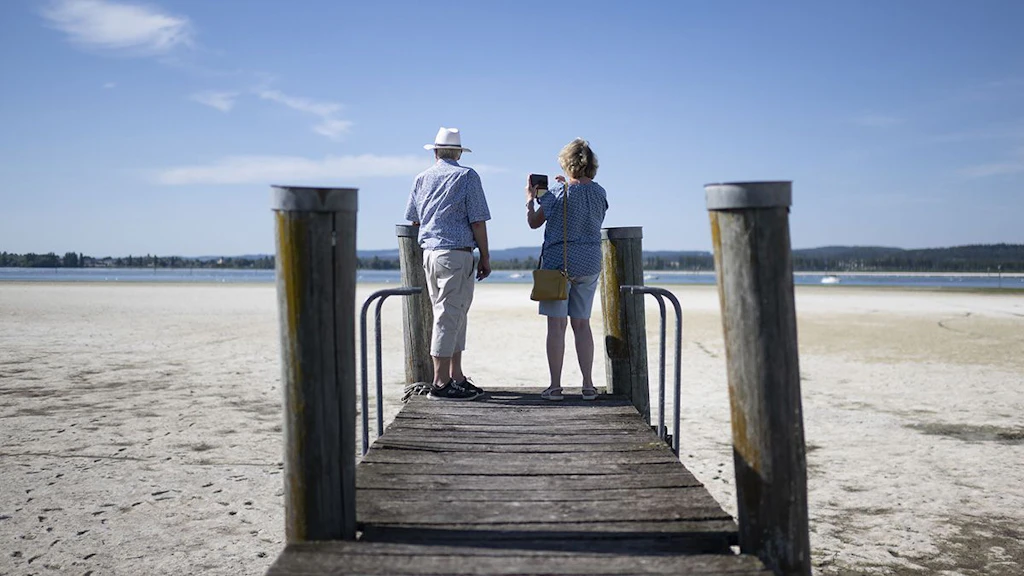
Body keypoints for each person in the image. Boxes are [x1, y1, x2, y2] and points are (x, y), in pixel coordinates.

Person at [405, 127, 491, 401]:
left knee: (453, 315)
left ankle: (456, 377)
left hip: (431, 253)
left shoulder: (421, 178)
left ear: (436, 153)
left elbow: (414, 219)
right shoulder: (467, 176)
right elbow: (477, 220)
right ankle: (441, 383)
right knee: (449, 315)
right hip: (456, 253)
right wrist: (485, 256)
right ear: (458, 153)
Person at [525, 138, 608, 401]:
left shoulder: (558, 194)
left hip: (558, 264)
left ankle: (556, 386)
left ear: (568, 164)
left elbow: (534, 223)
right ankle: (588, 385)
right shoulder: (600, 192)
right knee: (582, 325)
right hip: (589, 262)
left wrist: (531, 200)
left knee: (556, 326)